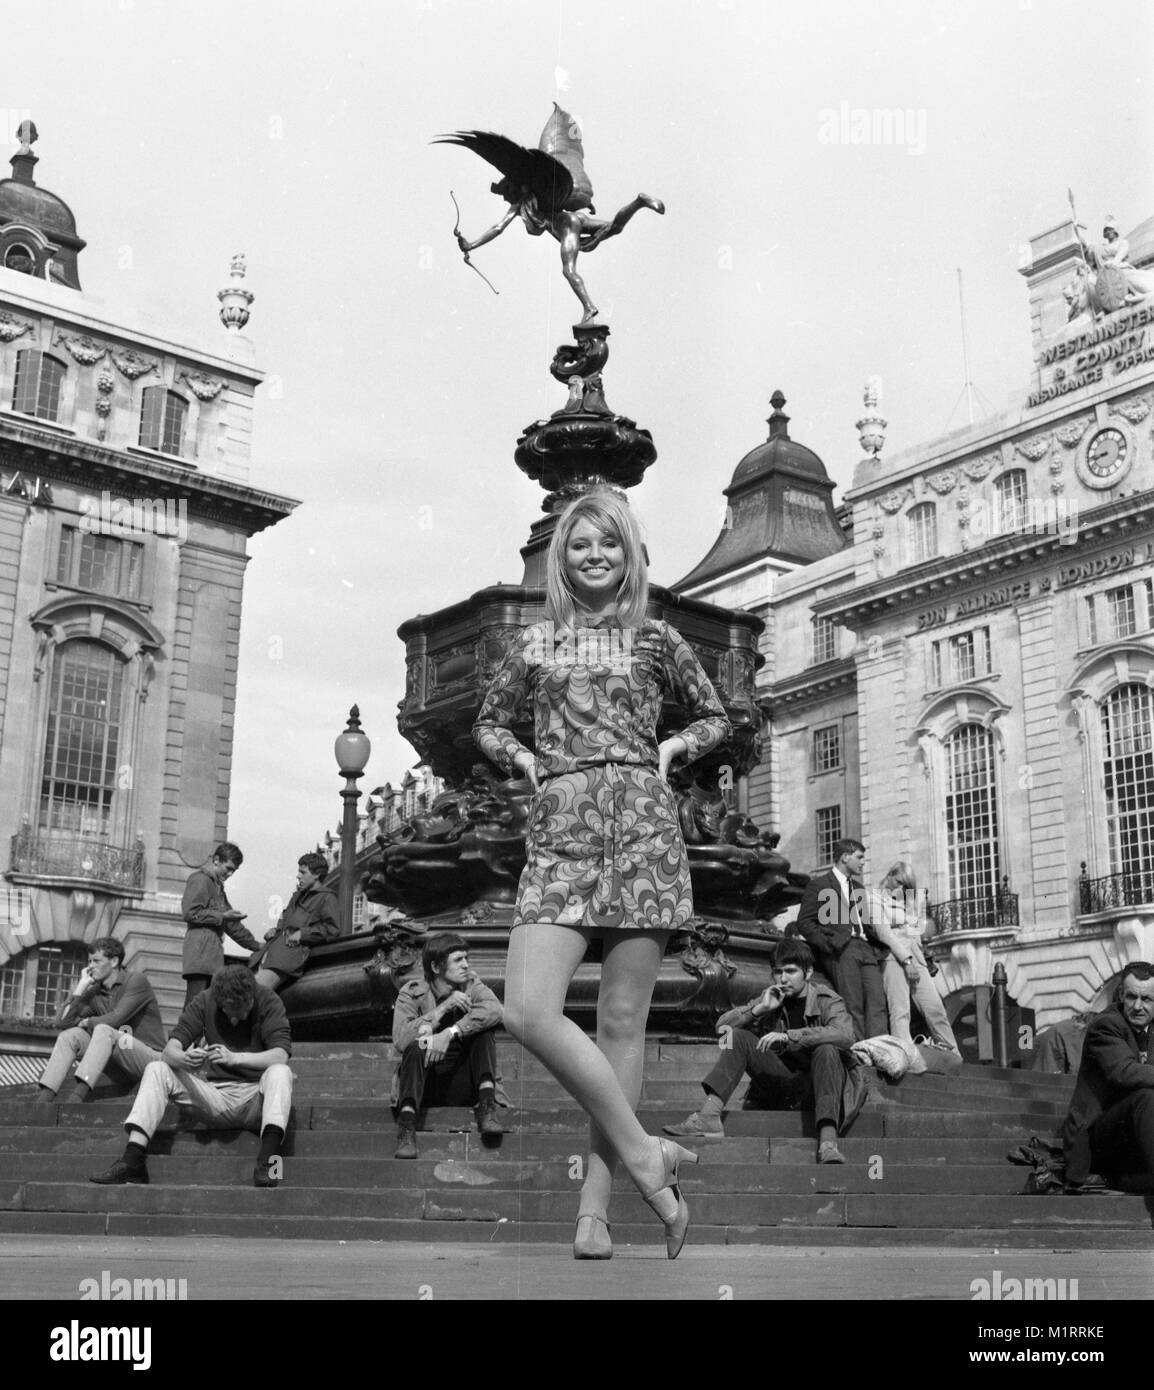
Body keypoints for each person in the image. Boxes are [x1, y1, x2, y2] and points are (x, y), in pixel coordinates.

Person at [473, 489, 731, 1260]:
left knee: (622, 1022)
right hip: (561, 825)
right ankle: (651, 1157)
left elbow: (716, 717)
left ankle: (596, 1211)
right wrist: (526, 762)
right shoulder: (535, 644)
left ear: (628, 555)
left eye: (609, 545)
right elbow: (488, 722)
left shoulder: (658, 640)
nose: (595, 556)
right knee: (526, 1010)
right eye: (581, 545)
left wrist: (673, 751)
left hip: (645, 825)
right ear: (564, 557)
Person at [89, 964, 293, 1189]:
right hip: (216, 1098)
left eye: (244, 1012)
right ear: (218, 1001)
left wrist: (235, 1058)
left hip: (256, 1100)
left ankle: (267, 1163)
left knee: (280, 1072)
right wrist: (184, 1059)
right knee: (157, 1068)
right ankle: (132, 1160)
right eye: (230, 1012)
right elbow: (170, 1050)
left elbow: (280, 1055)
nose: (237, 1020)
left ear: (252, 996)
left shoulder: (269, 1000)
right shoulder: (205, 1000)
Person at [663, 939, 865, 1164]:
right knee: (738, 1037)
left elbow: (846, 1035)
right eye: (778, 972)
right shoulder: (771, 997)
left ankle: (828, 1143)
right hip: (779, 1086)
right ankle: (709, 1116)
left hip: (818, 1089)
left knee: (827, 1049)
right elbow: (722, 1028)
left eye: (791, 971)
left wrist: (790, 1036)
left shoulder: (827, 1000)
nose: (783, 979)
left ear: (808, 973)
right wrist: (759, 1009)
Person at [390, 933, 503, 1158]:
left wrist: (450, 1033)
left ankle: (487, 1107)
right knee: (414, 1047)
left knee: (483, 1033)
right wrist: (442, 1009)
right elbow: (401, 1040)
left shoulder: (472, 984)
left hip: (463, 1084)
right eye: (458, 960)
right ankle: (406, 1127)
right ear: (435, 966)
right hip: (427, 1085)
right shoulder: (411, 992)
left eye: (466, 958)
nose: (466, 965)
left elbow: (495, 1011)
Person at [1060, 961, 1154, 1191]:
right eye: (1131, 997)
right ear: (1121, 995)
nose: (1138, 1006)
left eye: (1147, 999)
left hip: (1138, 1136)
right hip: (1099, 1139)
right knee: (1146, 1097)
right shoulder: (1105, 1025)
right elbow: (1125, 1073)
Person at [37, 938, 165, 1104]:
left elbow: (117, 1018)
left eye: (97, 961)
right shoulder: (96, 992)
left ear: (113, 961)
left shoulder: (136, 981)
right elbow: (62, 1023)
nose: (90, 966)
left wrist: (88, 1022)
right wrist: (81, 987)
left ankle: (75, 1100)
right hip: (117, 1061)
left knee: (104, 1030)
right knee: (70, 1035)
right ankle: (43, 1101)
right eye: (89, 961)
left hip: (149, 1060)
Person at [795, 838, 887, 1041]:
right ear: (845, 857)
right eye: (859, 857)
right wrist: (828, 945)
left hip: (866, 949)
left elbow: (866, 925)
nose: (863, 862)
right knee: (852, 1004)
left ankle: (878, 1051)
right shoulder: (819, 885)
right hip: (842, 949)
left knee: (878, 1003)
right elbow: (805, 922)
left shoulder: (859, 888)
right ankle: (859, 1054)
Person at [868, 861, 961, 1060]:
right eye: (899, 882)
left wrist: (918, 959)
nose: (901, 888)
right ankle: (906, 1057)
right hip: (893, 958)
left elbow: (917, 931)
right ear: (890, 875)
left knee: (935, 1008)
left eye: (906, 886)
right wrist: (906, 960)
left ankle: (954, 1054)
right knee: (900, 1011)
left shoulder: (911, 900)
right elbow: (884, 933)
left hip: (916, 958)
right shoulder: (874, 898)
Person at [181, 842, 260, 1006]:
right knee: (195, 1008)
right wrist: (222, 916)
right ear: (216, 860)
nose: (230, 873)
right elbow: (190, 912)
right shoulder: (200, 880)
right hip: (200, 957)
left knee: (204, 1009)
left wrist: (257, 946)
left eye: (234, 871)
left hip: (211, 960)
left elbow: (233, 926)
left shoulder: (218, 888)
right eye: (228, 868)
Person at [250, 852, 341, 991]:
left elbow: (333, 930)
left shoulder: (327, 898)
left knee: (253, 993)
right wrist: (275, 930)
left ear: (316, 875)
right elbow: (285, 919)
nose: (298, 876)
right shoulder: (297, 896)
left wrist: (303, 934)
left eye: (303, 872)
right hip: (270, 953)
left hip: (285, 959)